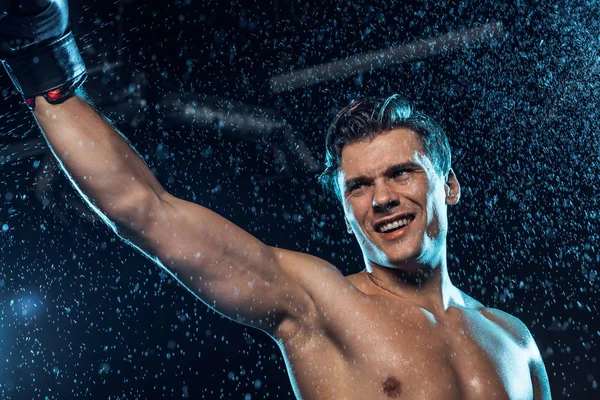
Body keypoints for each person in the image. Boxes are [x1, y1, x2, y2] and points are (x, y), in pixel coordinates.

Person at [1, 1, 552, 399]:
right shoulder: (320, 303)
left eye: (402, 174)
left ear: (448, 187)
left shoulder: (514, 339)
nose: (381, 198)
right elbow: (146, 211)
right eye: (358, 186)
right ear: (344, 208)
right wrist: (42, 61)